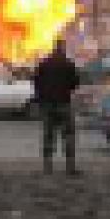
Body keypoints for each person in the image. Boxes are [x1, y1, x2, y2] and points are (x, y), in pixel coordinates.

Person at [34, 38, 81, 176]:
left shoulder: (44, 64)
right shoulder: (69, 64)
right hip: (64, 104)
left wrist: (42, 96)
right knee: (68, 135)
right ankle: (70, 167)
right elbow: (75, 84)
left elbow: (36, 82)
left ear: (53, 48)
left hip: (47, 105)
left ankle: (48, 168)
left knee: (48, 136)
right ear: (63, 48)